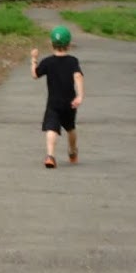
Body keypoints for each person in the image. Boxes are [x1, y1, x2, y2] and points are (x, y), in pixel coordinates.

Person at [31, 25, 84, 168]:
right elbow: (78, 76)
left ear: (51, 43)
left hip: (53, 102)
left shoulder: (48, 62)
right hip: (70, 102)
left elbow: (35, 74)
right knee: (70, 127)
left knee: (51, 128)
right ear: (69, 44)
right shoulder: (73, 61)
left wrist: (34, 59)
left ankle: (50, 156)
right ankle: (72, 151)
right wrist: (80, 96)